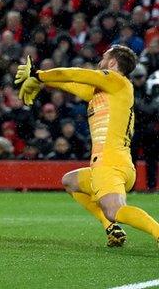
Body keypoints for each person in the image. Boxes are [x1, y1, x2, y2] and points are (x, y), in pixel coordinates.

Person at [15, 45, 159, 247]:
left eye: (104, 57)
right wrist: (44, 83)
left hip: (110, 164)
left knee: (114, 210)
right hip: (116, 163)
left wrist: (39, 75)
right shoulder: (106, 91)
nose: (100, 61)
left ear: (112, 62)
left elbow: (79, 74)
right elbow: (72, 83)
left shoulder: (115, 79)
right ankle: (111, 229)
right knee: (71, 181)